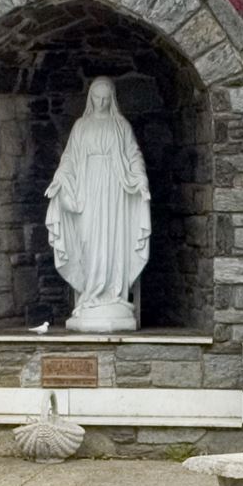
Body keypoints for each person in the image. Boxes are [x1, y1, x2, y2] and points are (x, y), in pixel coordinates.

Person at [44, 76, 152, 332]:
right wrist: (60, 177)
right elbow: (69, 158)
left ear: (112, 99)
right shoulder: (81, 126)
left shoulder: (120, 125)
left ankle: (113, 294)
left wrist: (140, 178)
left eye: (106, 98)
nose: (101, 103)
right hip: (88, 190)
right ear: (90, 98)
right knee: (89, 240)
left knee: (113, 241)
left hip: (116, 191)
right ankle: (91, 294)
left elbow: (133, 155)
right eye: (97, 98)